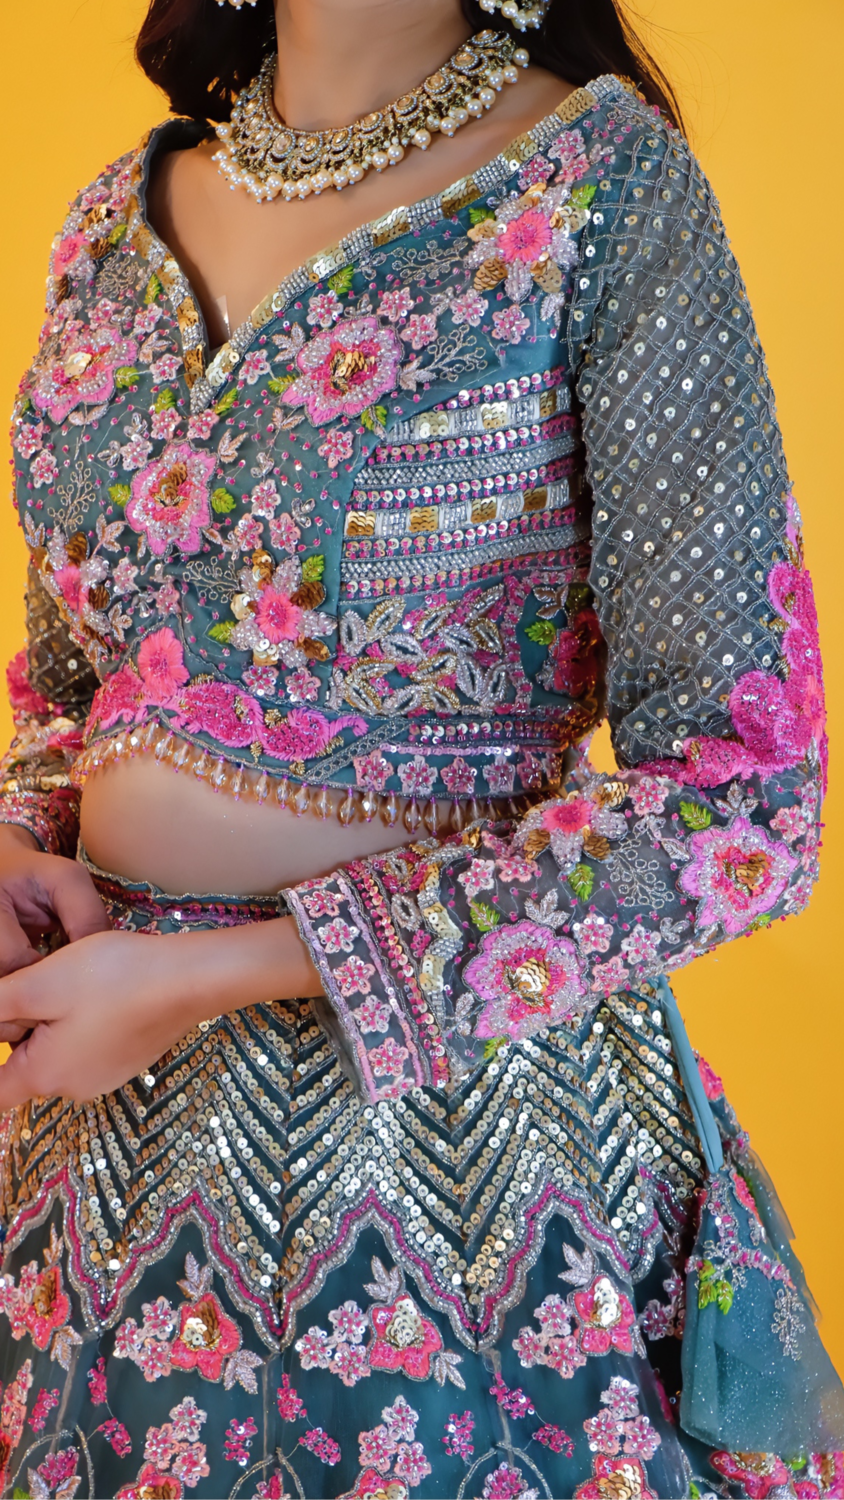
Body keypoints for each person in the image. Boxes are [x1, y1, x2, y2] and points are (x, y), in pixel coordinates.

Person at [0, 0, 840, 1493]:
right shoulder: (115, 221)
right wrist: (20, 837)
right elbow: (73, 690)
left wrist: (203, 974)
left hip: (460, 1159)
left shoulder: (599, 183)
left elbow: (743, 807)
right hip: (91, 1148)